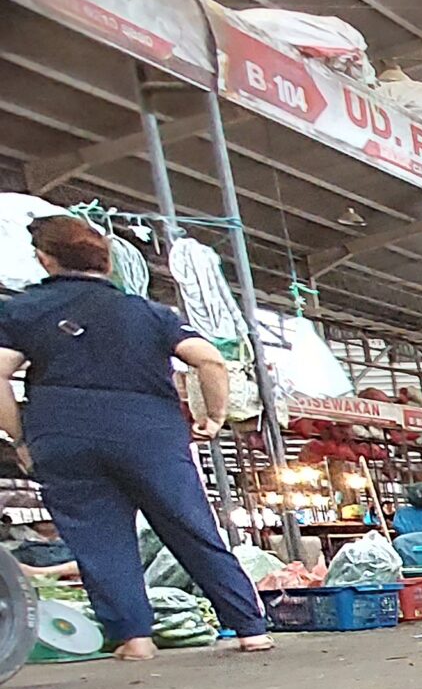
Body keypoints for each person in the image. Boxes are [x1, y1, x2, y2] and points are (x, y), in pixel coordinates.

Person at [0, 216, 270, 658]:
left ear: (45, 260)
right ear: (106, 264)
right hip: (149, 432)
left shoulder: (21, 310)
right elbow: (209, 361)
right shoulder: (148, 313)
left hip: (64, 430)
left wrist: (20, 437)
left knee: (99, 539)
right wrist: (214, 415)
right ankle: (249, 628)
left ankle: (135, 639)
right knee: (190, 527)